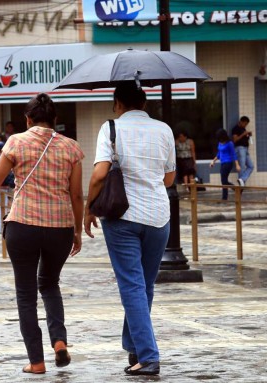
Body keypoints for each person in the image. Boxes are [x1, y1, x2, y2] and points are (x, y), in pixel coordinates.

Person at [0, 93, 84, 375]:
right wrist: (76, 229)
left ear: (27, 119)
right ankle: (59, 341)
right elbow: (76, 194)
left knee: (26, 295)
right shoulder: (72, 148)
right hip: (59, 228)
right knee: (50, 284)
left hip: (23, 225)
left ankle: (37, 362)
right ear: (55, 120)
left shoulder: (16, 141)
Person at [84, 82, 176, 376]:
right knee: (144, 286)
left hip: (122, 217)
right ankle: (135, 347)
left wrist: (89, 207)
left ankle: (148, 356)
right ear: (145, 103)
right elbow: (170, 177)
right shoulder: (164, 130)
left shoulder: (110, 128)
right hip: (159, 216)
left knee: (133, 286)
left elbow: (99, 174)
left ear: (117, 103)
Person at [210, 129, 240, 201]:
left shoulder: (230, 143)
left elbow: (234, 154)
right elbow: (219, 154)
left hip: (228, 163)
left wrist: (237, 165)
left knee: (223, 180)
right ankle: (236, 190)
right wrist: (213, 161)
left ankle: (225, 197)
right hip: (223, 163)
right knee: (224, 180)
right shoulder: (220, 143)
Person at [231, 116, 253, 187]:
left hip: (245, 149)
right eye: (245, 124)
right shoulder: (235, 129)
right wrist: (243, 134)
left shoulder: (243, 129)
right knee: (242, 166)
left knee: (251, 166)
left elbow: (244, 138)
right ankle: (241, 186)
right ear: (241, 122)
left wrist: (248, 135)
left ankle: (242, 180)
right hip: (240, 148)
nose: (246, 125)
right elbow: (235, 140)